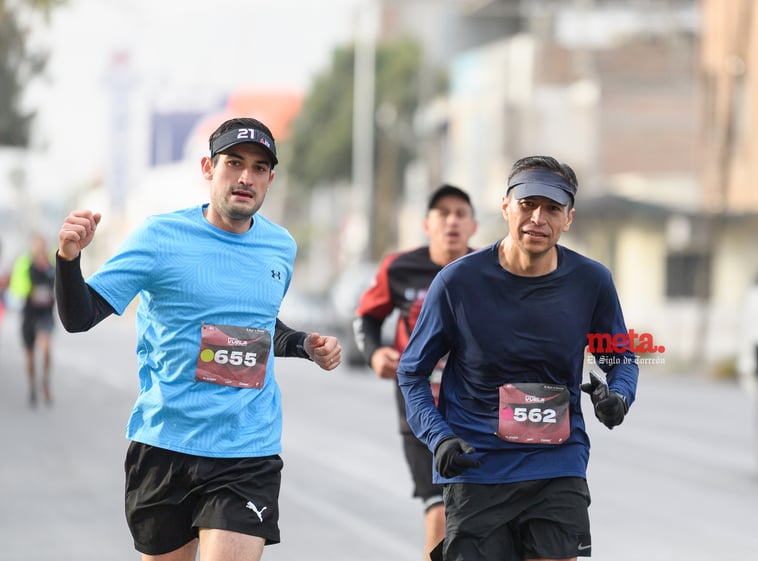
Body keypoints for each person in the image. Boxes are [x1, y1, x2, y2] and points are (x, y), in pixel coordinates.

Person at [54, 116, 342, 561]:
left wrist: (303, 344)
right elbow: (80, 316)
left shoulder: (281, 247)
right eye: (234, 163)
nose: (246, 177)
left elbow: (256, 326)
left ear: (270, 178)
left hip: (246, 450)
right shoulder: (159, 237)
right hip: (165, 445)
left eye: (260, 168)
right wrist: (68, 260)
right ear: (208, 168)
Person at [397, 156, 639, 561]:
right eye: (528, 205)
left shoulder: (591, 282)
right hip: (478, 464)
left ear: (568, 218)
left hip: (557, 461)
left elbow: (620, 359)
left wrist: (618, 396)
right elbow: (412, 373)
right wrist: (438, 437)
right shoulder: (458, 283)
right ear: (507, 207)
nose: (538, 218)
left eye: (552, 209)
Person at [354, 184, 478, 560]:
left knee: (475, 514)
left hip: (476, 407)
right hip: (420, 410)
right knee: (439, 511)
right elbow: (366, 317)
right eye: (443, 213)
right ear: (427, 223)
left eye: (461, 213)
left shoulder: (487, 270)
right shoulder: (400, 267)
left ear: (473, 225)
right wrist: (375, 354)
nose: (452, 221)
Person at [8, 233, 57, 407]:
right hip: (29, 313)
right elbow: (17, 287)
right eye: (37, 245)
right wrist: (29, 289)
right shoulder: (25, 265)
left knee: (46, 348)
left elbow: (60, 285)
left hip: (45, 314)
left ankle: (45, 384)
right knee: (29, 354)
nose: (40, 248)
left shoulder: (52, 265)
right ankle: (32, 387)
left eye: (42, 245)